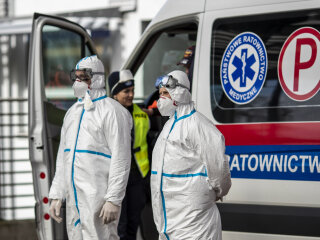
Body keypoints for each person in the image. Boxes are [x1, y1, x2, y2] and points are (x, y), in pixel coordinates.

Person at [48, 55, 132, 240]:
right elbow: (64, 157)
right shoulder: (72, 113)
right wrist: (57, 194)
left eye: (84, 77)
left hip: (99, 199)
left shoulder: (113, 112)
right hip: (74, 200)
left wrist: (113, 199)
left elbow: (121, 158)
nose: (78, 82)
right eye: (76, 77)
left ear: (98, 78)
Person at [150, 70, 231, 240]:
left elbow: (218, 168)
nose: (161, 99)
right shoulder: (170, 125)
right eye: (160, 94)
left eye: (166, 93)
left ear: (179, 91)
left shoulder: (198, 125)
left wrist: (219, 190)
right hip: (170, 220)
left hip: (194, 221)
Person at [108, 70, 150, 240]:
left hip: (136, 178)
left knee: (133, 225)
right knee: (120, 227)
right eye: (126, 91)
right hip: (115, 179)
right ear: (115, 93)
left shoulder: (141, 115)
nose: (131, 95)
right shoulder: (107, 115)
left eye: (132, 90)